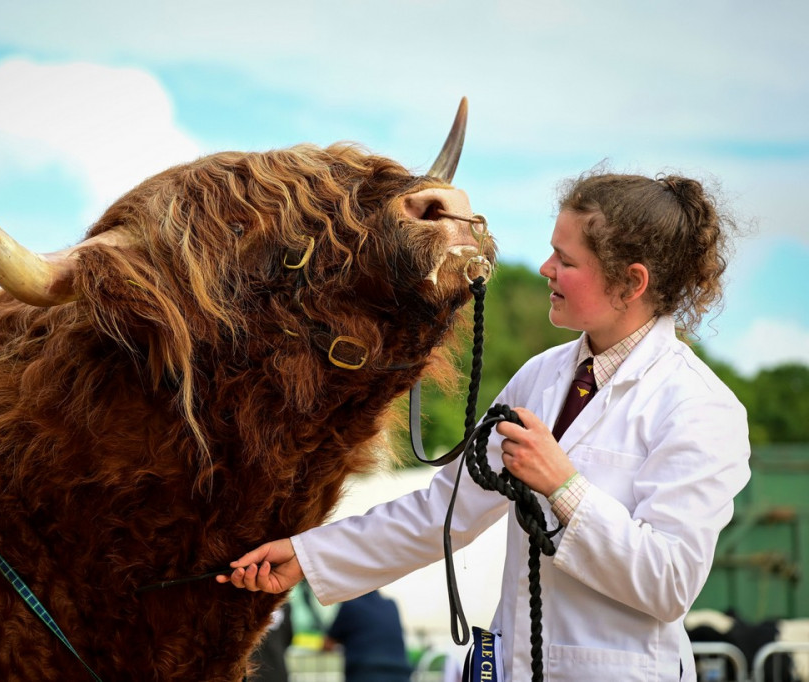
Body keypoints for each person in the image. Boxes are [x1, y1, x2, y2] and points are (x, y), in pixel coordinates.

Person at [218, 170, 752, 682]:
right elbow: (443, 514)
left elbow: (670, 583)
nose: (545, 268)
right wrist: (309, 556)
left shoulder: (700, 407)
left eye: (565, 260)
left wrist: (563, 487)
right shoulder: (540, 377)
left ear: (631, 282)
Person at [324, 590, 413, 682]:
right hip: (400, 674)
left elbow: (328, 644)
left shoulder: (351, 605)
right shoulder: (391, 604)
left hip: (365, 674)